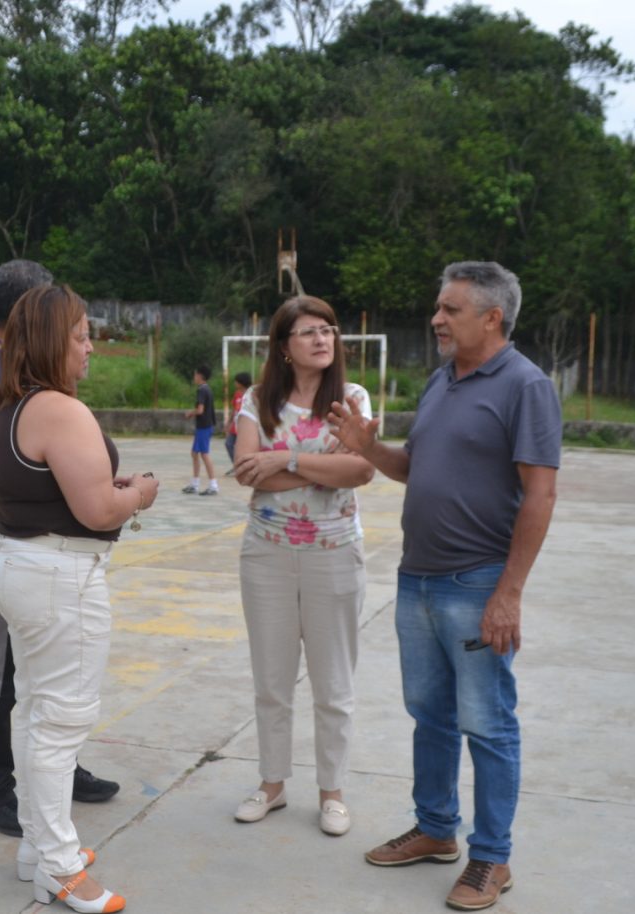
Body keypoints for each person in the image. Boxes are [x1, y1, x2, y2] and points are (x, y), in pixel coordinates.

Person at [330, 262, 560, 912]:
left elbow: (540, 493)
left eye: (450, 309)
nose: (436, 318)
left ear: (492, 317)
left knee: (487, 724)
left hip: (478, 581)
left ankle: (492, 858)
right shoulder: (441, 382)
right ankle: (435, 829)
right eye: (438, 307)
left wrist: (508, 593)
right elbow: (417, 468)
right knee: (430, 716)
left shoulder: (525, 386)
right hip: (418, 582)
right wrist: (369, 450)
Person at [0, 284, 159, 914]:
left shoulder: (11, 406)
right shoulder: (60, 408)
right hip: (61, 573)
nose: (91, 347)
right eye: (82, 334)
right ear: (53, 340)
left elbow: (56, 491)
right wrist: (138, 492)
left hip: (25, 564)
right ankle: (59, 866)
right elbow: (95, 507)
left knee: (35, 712)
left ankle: (39, 848)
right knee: (59, 722)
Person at [0, 259, 122, 847]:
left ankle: (56, 773)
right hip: (1, 555)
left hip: (24, 552)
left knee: (41, 684)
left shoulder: (15, 371)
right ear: (28, 312)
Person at [228, 296, 375, 842]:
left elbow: (361, 469)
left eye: (328, 330)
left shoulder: (351, 399)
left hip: (334, 553)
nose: (321, 339)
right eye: (308, 332)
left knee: (333, 682)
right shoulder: (257, 399)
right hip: (265, 554)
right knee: (271, 678)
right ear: (284, 347)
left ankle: (332, 792)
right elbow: (247, 471)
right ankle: (272, 783)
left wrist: (285, 459)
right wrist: (321, 469)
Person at [182, 365, 218, 496]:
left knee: (204, 454)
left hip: (204, 426)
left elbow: (200, 410)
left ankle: (213, 485)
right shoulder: (207, 389)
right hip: (205, 426)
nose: (194, 377)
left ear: (200, 375)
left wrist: (190, 413)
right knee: (194, 453)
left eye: (195, 374)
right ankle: (195, 483)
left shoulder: (201, 390)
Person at [223, 371, 252, 475]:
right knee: (229, 444)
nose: (235, 383)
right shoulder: (237, 394)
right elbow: (234, 409)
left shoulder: (251, 394)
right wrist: (229, 422)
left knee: (244, 448)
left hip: (245, 426)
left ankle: (245, 467)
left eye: (236, 381)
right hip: (235, 425)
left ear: (241, 382)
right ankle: (236, 465)